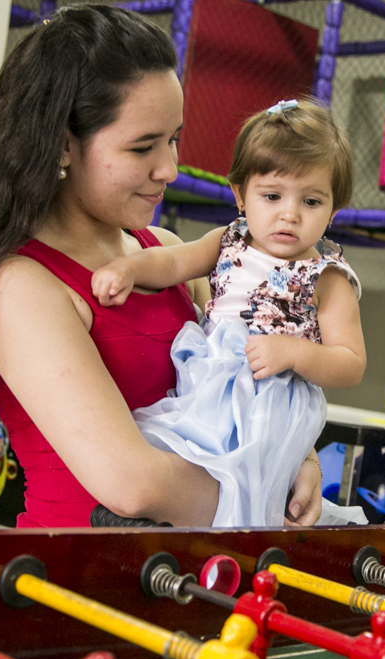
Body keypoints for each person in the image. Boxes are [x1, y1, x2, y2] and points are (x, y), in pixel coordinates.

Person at [0, 5, 324, 528]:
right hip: (89, 563)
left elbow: (255, 382)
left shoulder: (167, 251)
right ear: (63, 144)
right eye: (142, 147)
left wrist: (301, 456)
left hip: (207, 553)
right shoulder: (21, 287)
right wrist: (267, 492)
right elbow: (133, 486)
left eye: (172, 139)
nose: (169, 168)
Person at [90, 99, 367, 526]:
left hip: (270, 395)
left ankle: (239, 541)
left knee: (245, 486)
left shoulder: (325, 276)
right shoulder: (230, 240)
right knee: (175, 450)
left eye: (311, 202)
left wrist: (294, 353)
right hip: (208, 376)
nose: (290, 214)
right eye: (272, 196)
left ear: (335, 208)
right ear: (240, 195)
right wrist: (130, 268)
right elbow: (174, 262)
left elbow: (350, 363)